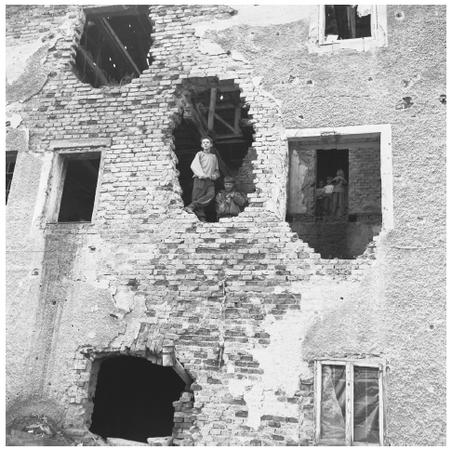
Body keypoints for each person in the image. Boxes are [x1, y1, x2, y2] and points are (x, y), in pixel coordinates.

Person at [184, 136, 220, 221]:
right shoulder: (199, 154)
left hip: (209, 181)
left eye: (207, 142)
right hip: (200, 179)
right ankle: (201, 218)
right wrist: (201, 174)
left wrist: (215, 176)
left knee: (211, 195)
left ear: (211, 145)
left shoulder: (214, 157)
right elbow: (194, 165)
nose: (205, 144)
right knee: (198, 197)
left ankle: (191, 206)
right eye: (203, 143)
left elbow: (216, 170)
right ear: (201, 145)